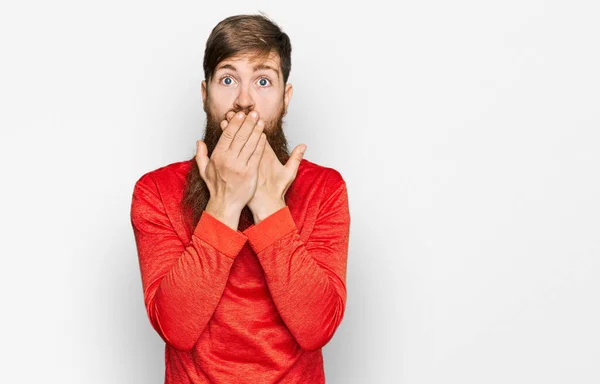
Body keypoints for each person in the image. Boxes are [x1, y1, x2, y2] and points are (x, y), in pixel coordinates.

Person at [130, 13, 351, 383]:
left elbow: (317, 330)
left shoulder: (325, 189)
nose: (245, 100)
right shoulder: (155, 191)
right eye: (228, 79)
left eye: (263, 81)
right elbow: (176, 329)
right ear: (205, 94)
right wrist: (225, 204)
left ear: (285, 98)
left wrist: (268, 204)